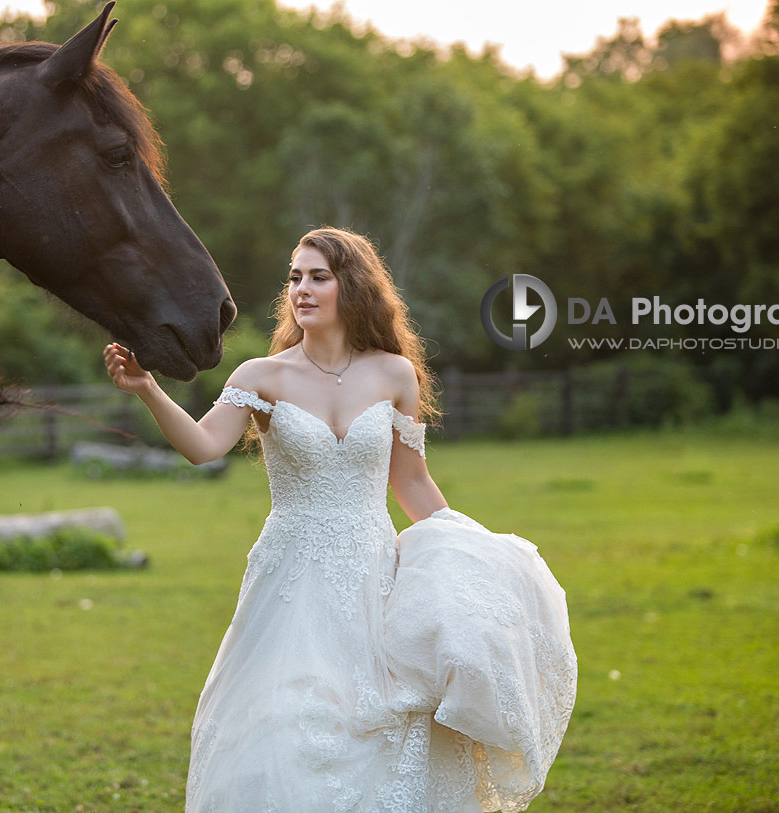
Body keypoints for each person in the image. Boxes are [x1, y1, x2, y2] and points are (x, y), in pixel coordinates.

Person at [104, 227, 576, 812]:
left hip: (372, 571)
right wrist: (147, 388)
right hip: (290, 574)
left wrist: (464, 555)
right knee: (287, 717)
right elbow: (203, 446)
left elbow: (410, 481)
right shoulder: (261, 376)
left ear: (349, 287)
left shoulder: (395, 374)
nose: (301, 288)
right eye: (295, 277)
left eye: (318, 276)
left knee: (375, 719)